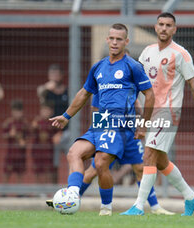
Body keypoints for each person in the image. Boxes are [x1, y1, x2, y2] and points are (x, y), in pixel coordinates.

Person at [49, 23, 155, 216]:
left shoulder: (133, 66)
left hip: (120, 126)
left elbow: (150, 95)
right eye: (112, 38)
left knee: (100, 163)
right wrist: (66, 116)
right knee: (74, 152)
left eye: (119, 39)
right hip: (100, 123)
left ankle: (106, 207)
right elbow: (84, 93)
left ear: (126, 41)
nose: (115, 42)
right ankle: (72, 195)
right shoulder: (98, 67)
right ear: (107, 39)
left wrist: (143, 124)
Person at [121, 12, 194, 216]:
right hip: (149, 112)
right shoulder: (147, 52)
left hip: (168, 112)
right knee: (159, 160)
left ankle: (139, 206)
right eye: (161, 24)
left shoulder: (180, 53)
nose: (164, 28)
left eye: (169, 25)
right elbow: (138, 82)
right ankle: (191, 196)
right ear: (155, 27)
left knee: (149, 154)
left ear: (174, 29)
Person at [46, 93, 174, 215]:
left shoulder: (129, 77)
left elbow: (135, 103)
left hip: (129, 134)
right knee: (92, 172)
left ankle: (155, 207)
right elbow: (94, 110)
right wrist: (100, 132)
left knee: (141, 168)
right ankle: (71, 198)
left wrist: (142, 125)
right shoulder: (101, 81)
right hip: (110, 134)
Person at [37, 64, 70, 182]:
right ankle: (54, 188)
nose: (55, 77)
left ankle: (71, 187)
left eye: (57, 74)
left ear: (61, 75)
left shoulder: (67, 91)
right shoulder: (46, 92)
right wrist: (46, 87)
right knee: (53, 164)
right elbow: (39, 95)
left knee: (72, 159)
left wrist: (61, 132)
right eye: (52, 74)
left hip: (67, 131)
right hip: (51, 132)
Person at [31, 102, 60, 183]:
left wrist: (58, 135)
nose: (45, 112)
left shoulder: (53, 122)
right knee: (37, 170)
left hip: (49, 150)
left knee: (48, 170)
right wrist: (33, 126)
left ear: (51, 112)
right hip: (37, 150)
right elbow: (30, 132)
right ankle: (38, 189)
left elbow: (59, 132)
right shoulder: (37, 121)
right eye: (43, 110)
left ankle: (47, 190)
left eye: (47, 110)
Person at [2, 99, 29, 183]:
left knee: (20, 174)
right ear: (11, 111)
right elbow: (3, 136)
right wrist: (10, 134)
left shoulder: (25, 123)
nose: (16, 114)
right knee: (7, 174)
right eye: (14, 111)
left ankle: (20, 194)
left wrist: (24, 142)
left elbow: (28, 137)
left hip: (21, 154)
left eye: (18, 111)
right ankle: (4, 193)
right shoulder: (8, 123)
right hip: (10, 154)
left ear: (22, 112)